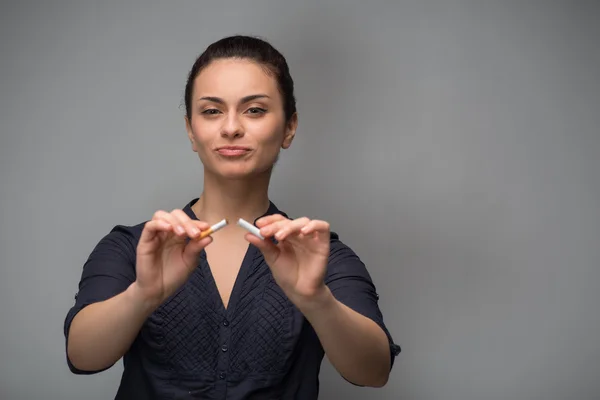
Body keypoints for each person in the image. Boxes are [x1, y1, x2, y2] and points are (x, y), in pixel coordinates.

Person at [64, 35, 400, 399]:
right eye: (211, 111)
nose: (230, 128)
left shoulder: (321, 256)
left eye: (254, 110)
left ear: (289, 127)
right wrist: (142, 295)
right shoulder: (131, 247)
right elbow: (83, 356)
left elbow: (374, 371)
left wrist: (318, 300)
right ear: (191, 130)